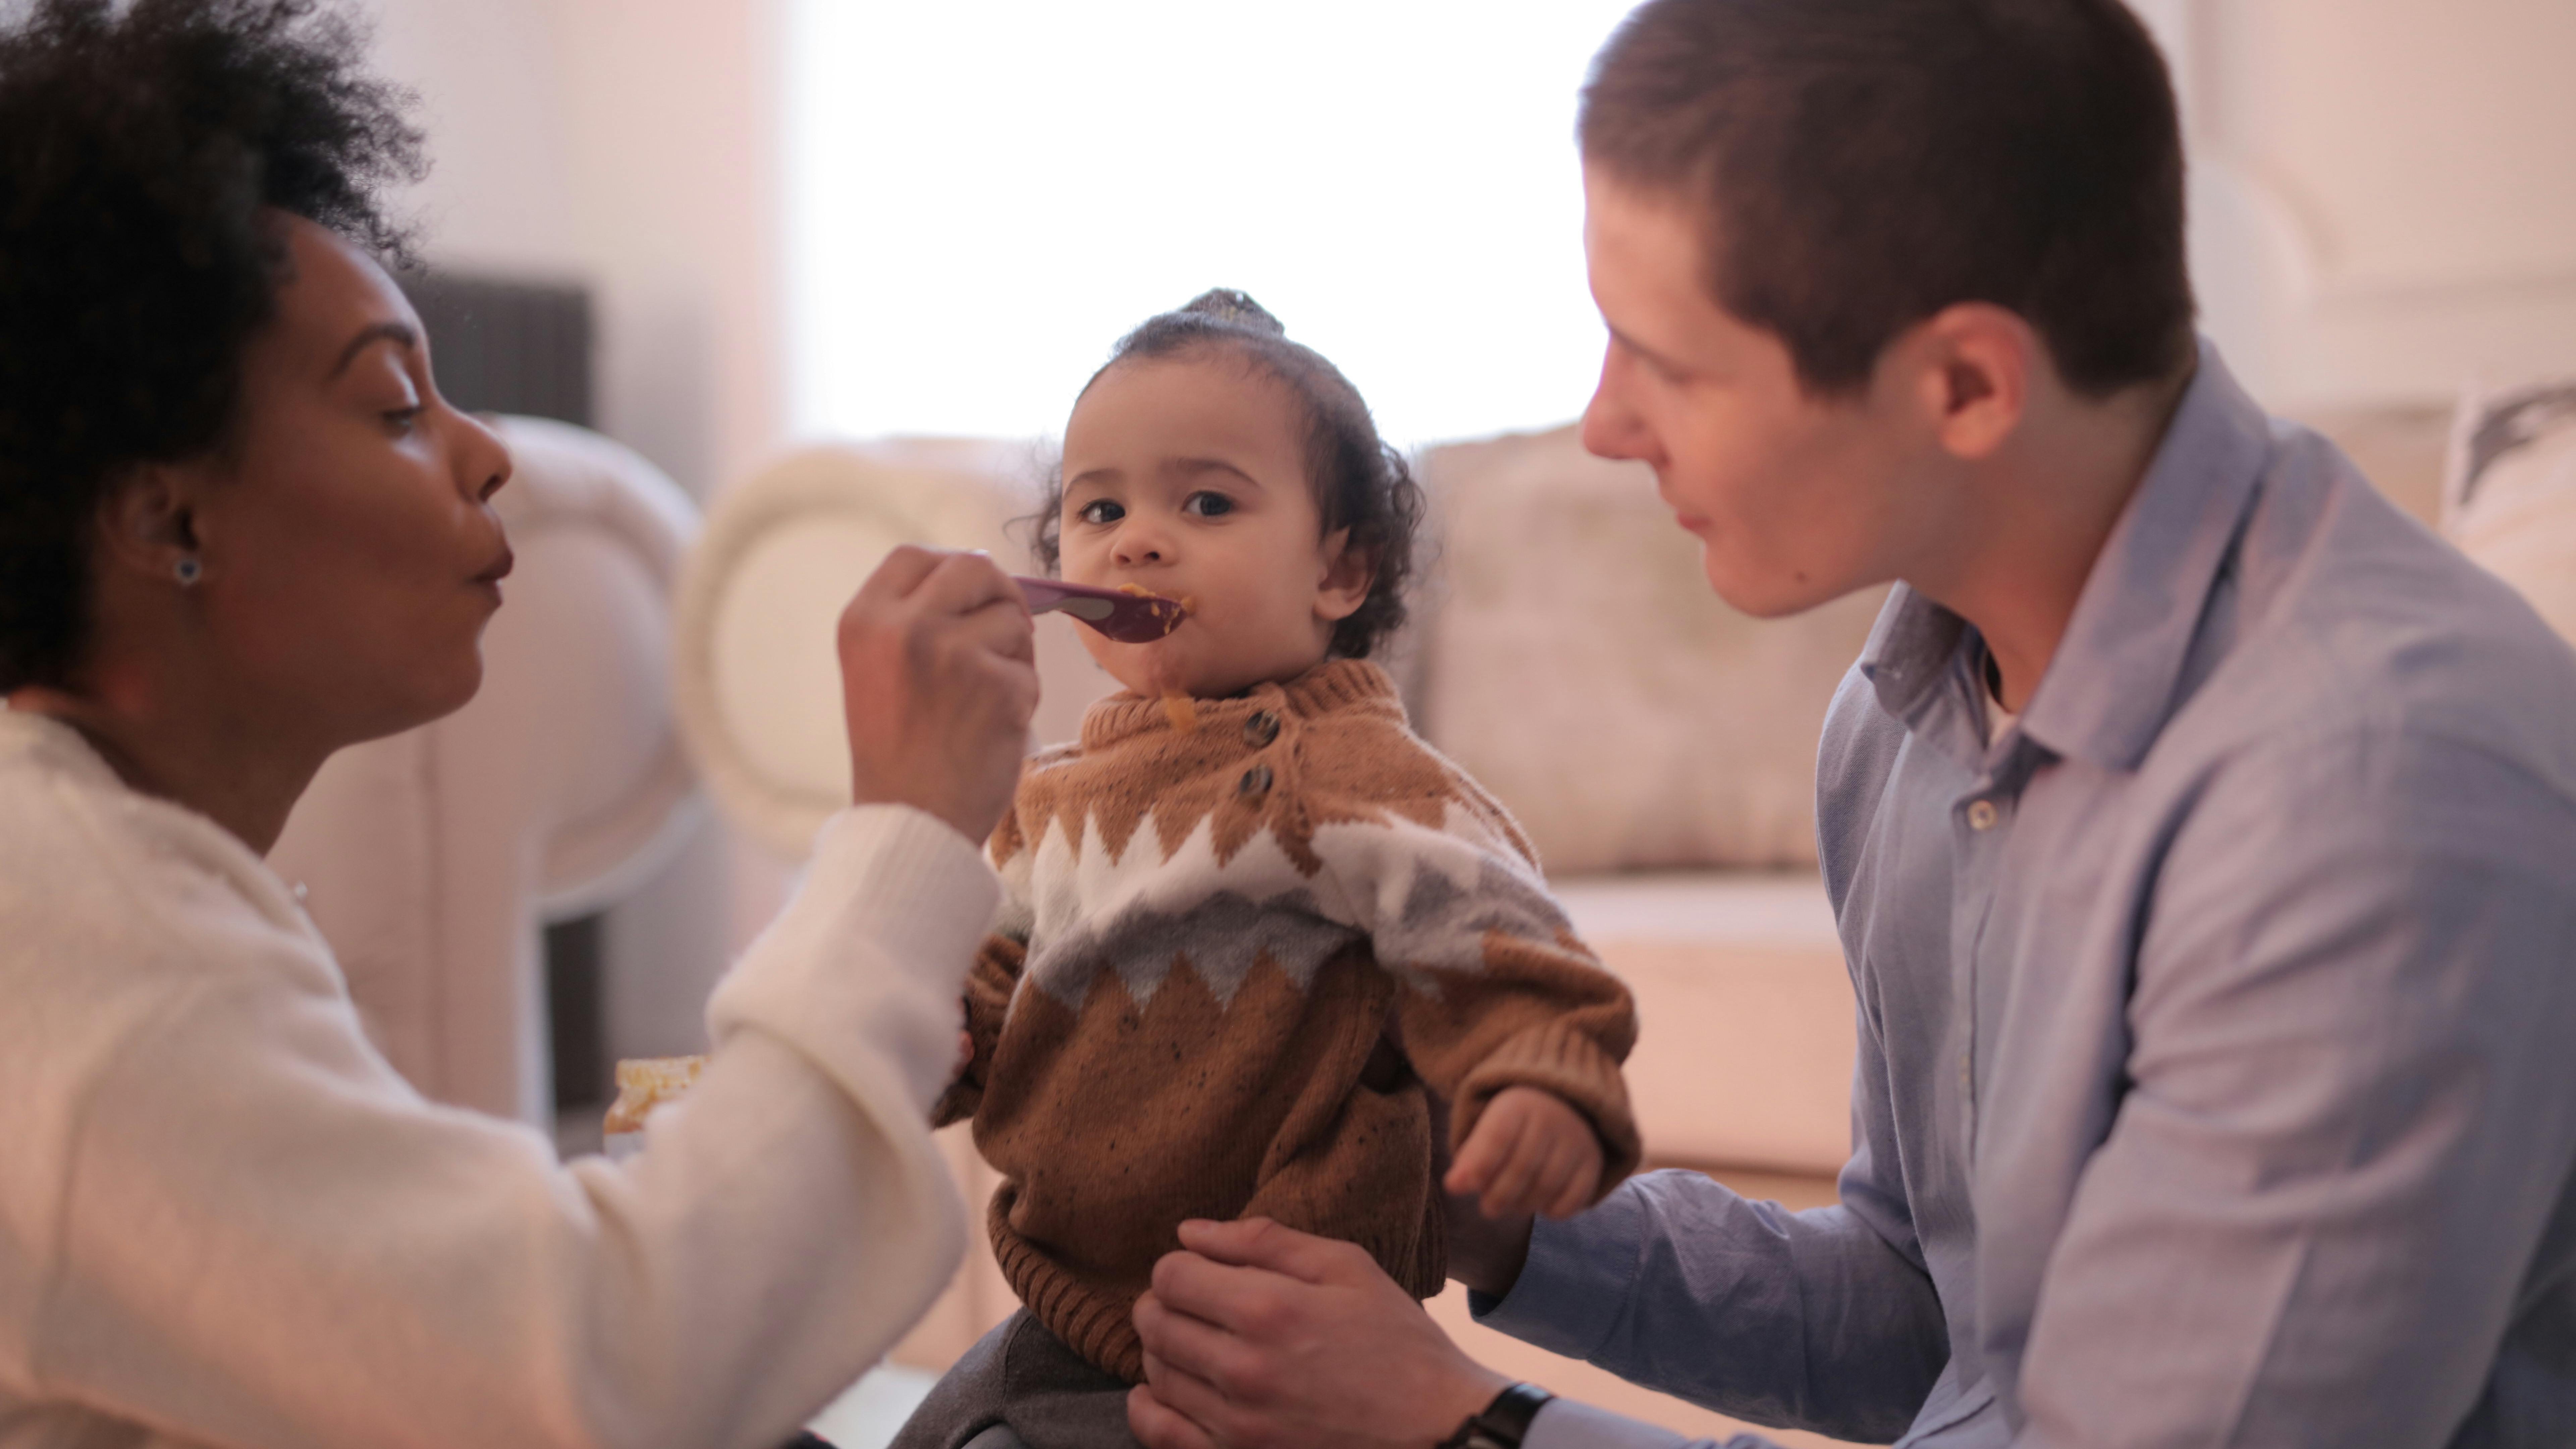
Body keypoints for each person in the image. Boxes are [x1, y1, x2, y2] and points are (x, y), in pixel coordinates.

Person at [1122, 3, 2576, 1447]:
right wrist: (1491, 1217)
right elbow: (1935, 1324)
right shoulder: (1908, 712)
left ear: (1966, 386)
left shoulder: (2379, 797)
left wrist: (1467, 1429)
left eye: (1666, 362)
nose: (1607, 426)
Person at [0, 3, 1037, 1446]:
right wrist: (908, 840)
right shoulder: (76, 941)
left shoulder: (102, 875)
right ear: (168, 515)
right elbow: (601, 1367)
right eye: (392, 406)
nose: (488, 456)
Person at [889, 291, 1641, 1449]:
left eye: (1206, 502)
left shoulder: (1348, 772)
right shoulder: (1049, 797)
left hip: (1283, 1321)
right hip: (1064, 1292)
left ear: (1343, 572)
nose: (1137, 537)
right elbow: (1000, 970)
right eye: (1100, 508)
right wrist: (930, 1035)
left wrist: (1537, 1071)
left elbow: (1495, 929)